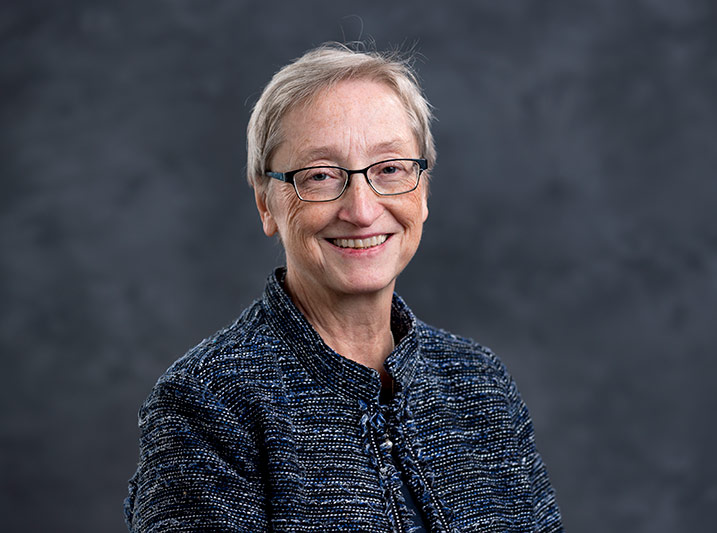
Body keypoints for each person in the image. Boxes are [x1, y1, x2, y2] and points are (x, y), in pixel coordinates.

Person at [124, 43, 563, 532]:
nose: (361, 209)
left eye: (390, 169)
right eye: (321, 175)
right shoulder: (205, 404)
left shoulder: (480, 384)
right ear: (266, 203)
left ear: (423, 192)